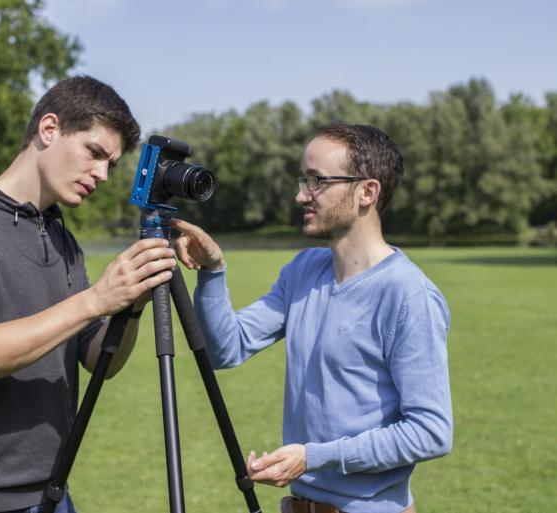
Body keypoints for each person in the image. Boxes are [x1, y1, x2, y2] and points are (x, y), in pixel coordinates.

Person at [0, 76, 177, 513]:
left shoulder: (64, 241)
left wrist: (131, 306)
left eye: (111, 164)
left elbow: (98, 362)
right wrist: (95, 300)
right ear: (49, 129)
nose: (103, 175)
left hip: (51, 494)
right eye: (95, 153)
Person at [172, 124, 452, 513]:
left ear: (367, 192)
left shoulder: (408, 294)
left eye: (317, 181)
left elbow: (431, 433)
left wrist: (312, 456)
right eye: (303, 179)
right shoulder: (304, 270)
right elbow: (226, 350)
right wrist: (212, 272)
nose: (300, 194)